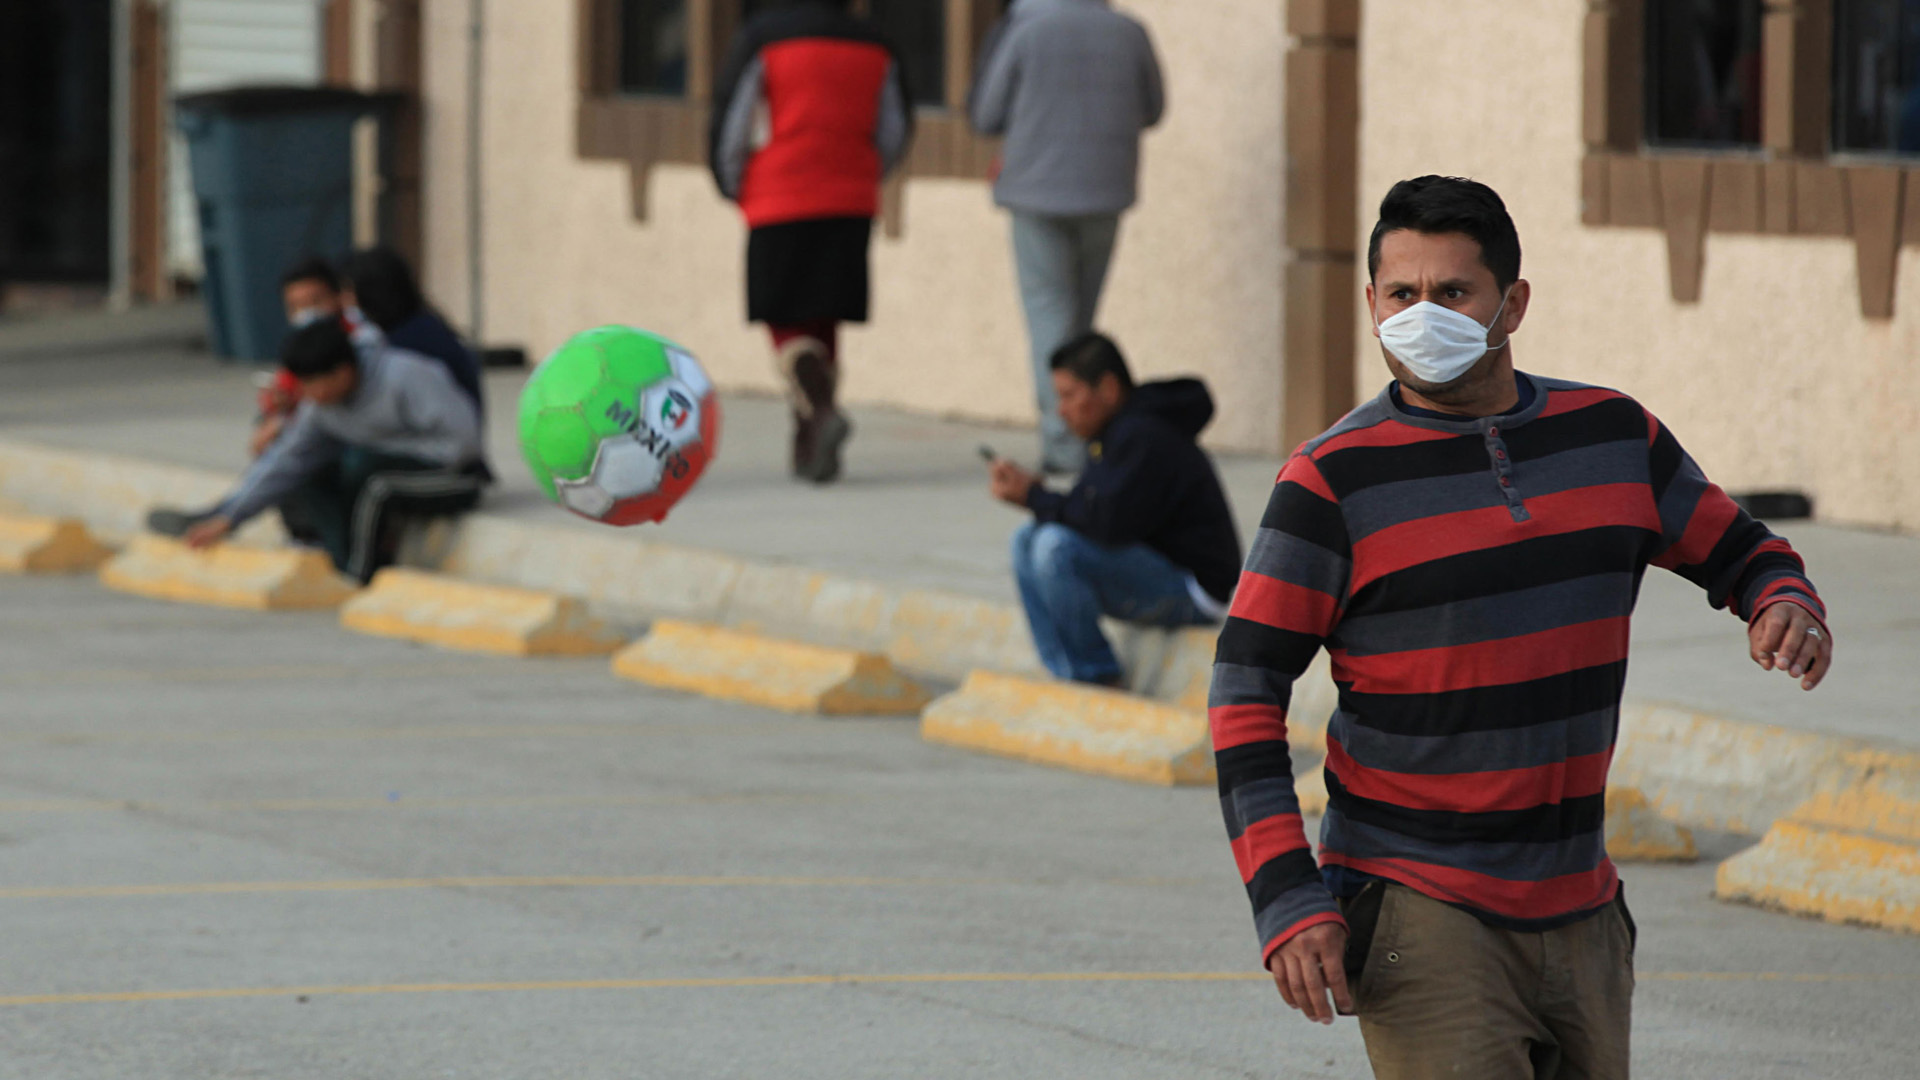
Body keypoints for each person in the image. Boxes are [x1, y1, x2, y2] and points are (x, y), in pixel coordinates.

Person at [1210, 176, 1833, 1079]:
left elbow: (1743, 549)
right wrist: (1286, 898)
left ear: (1513, 304)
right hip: (1414, 908)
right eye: (1401, 295)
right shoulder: (1330, 482)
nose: (1423, 316)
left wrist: (1784, 601)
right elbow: (1242, 692)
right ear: (1371, 303)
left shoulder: (1613, 436)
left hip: (1584, 913)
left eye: (1453, 293)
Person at [709, 0, 913, 484]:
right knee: (824, 316)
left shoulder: (764, 37)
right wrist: (862, 174)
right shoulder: (876, 43)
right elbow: (894, 129)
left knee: (784, 318)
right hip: (851, 195)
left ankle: (820, 411)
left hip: (779, 192)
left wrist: (733, 181)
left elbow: (733, 120)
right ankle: (810, 441)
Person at [969, 0, 1164, 474]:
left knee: (1049, 315)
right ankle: (1091, 425)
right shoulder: (1128, 31)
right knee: (1080, 317)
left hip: (1035, 193)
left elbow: (986, 112)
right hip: (1105, 188)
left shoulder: (1023, 29)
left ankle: (1064, 442)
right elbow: (1153, 109)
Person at [989, 332, 1239, 685]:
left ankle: (1093, 674)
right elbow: (1093, 508)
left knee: (1054, 547)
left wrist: (1033, 497)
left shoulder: (1142, 436)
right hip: (1154, 566)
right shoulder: (1115, 432)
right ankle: (1063, 667)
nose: (1061, 410)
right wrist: (1036, 495)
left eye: (1069, 396)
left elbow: (1103, 523)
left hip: (1194, 590)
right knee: (1026, 539)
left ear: (1107, 388)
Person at [176, 317, 488, 584]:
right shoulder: (319, 408)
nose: (307, 395)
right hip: (381, 469)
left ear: (342, 372)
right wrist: (231, 517)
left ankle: (358, 576)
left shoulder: (405, 376)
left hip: (454, 475)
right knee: (313, 474)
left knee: (375, 480)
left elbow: (464, 442)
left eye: (313, 384)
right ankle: (339, 561)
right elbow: (287, 460)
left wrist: (378, 447)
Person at [339, 246, 485, 416]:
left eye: (349, 292)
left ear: (372, 292)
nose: (344, 301)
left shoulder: (410, 343)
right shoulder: (418, 326)